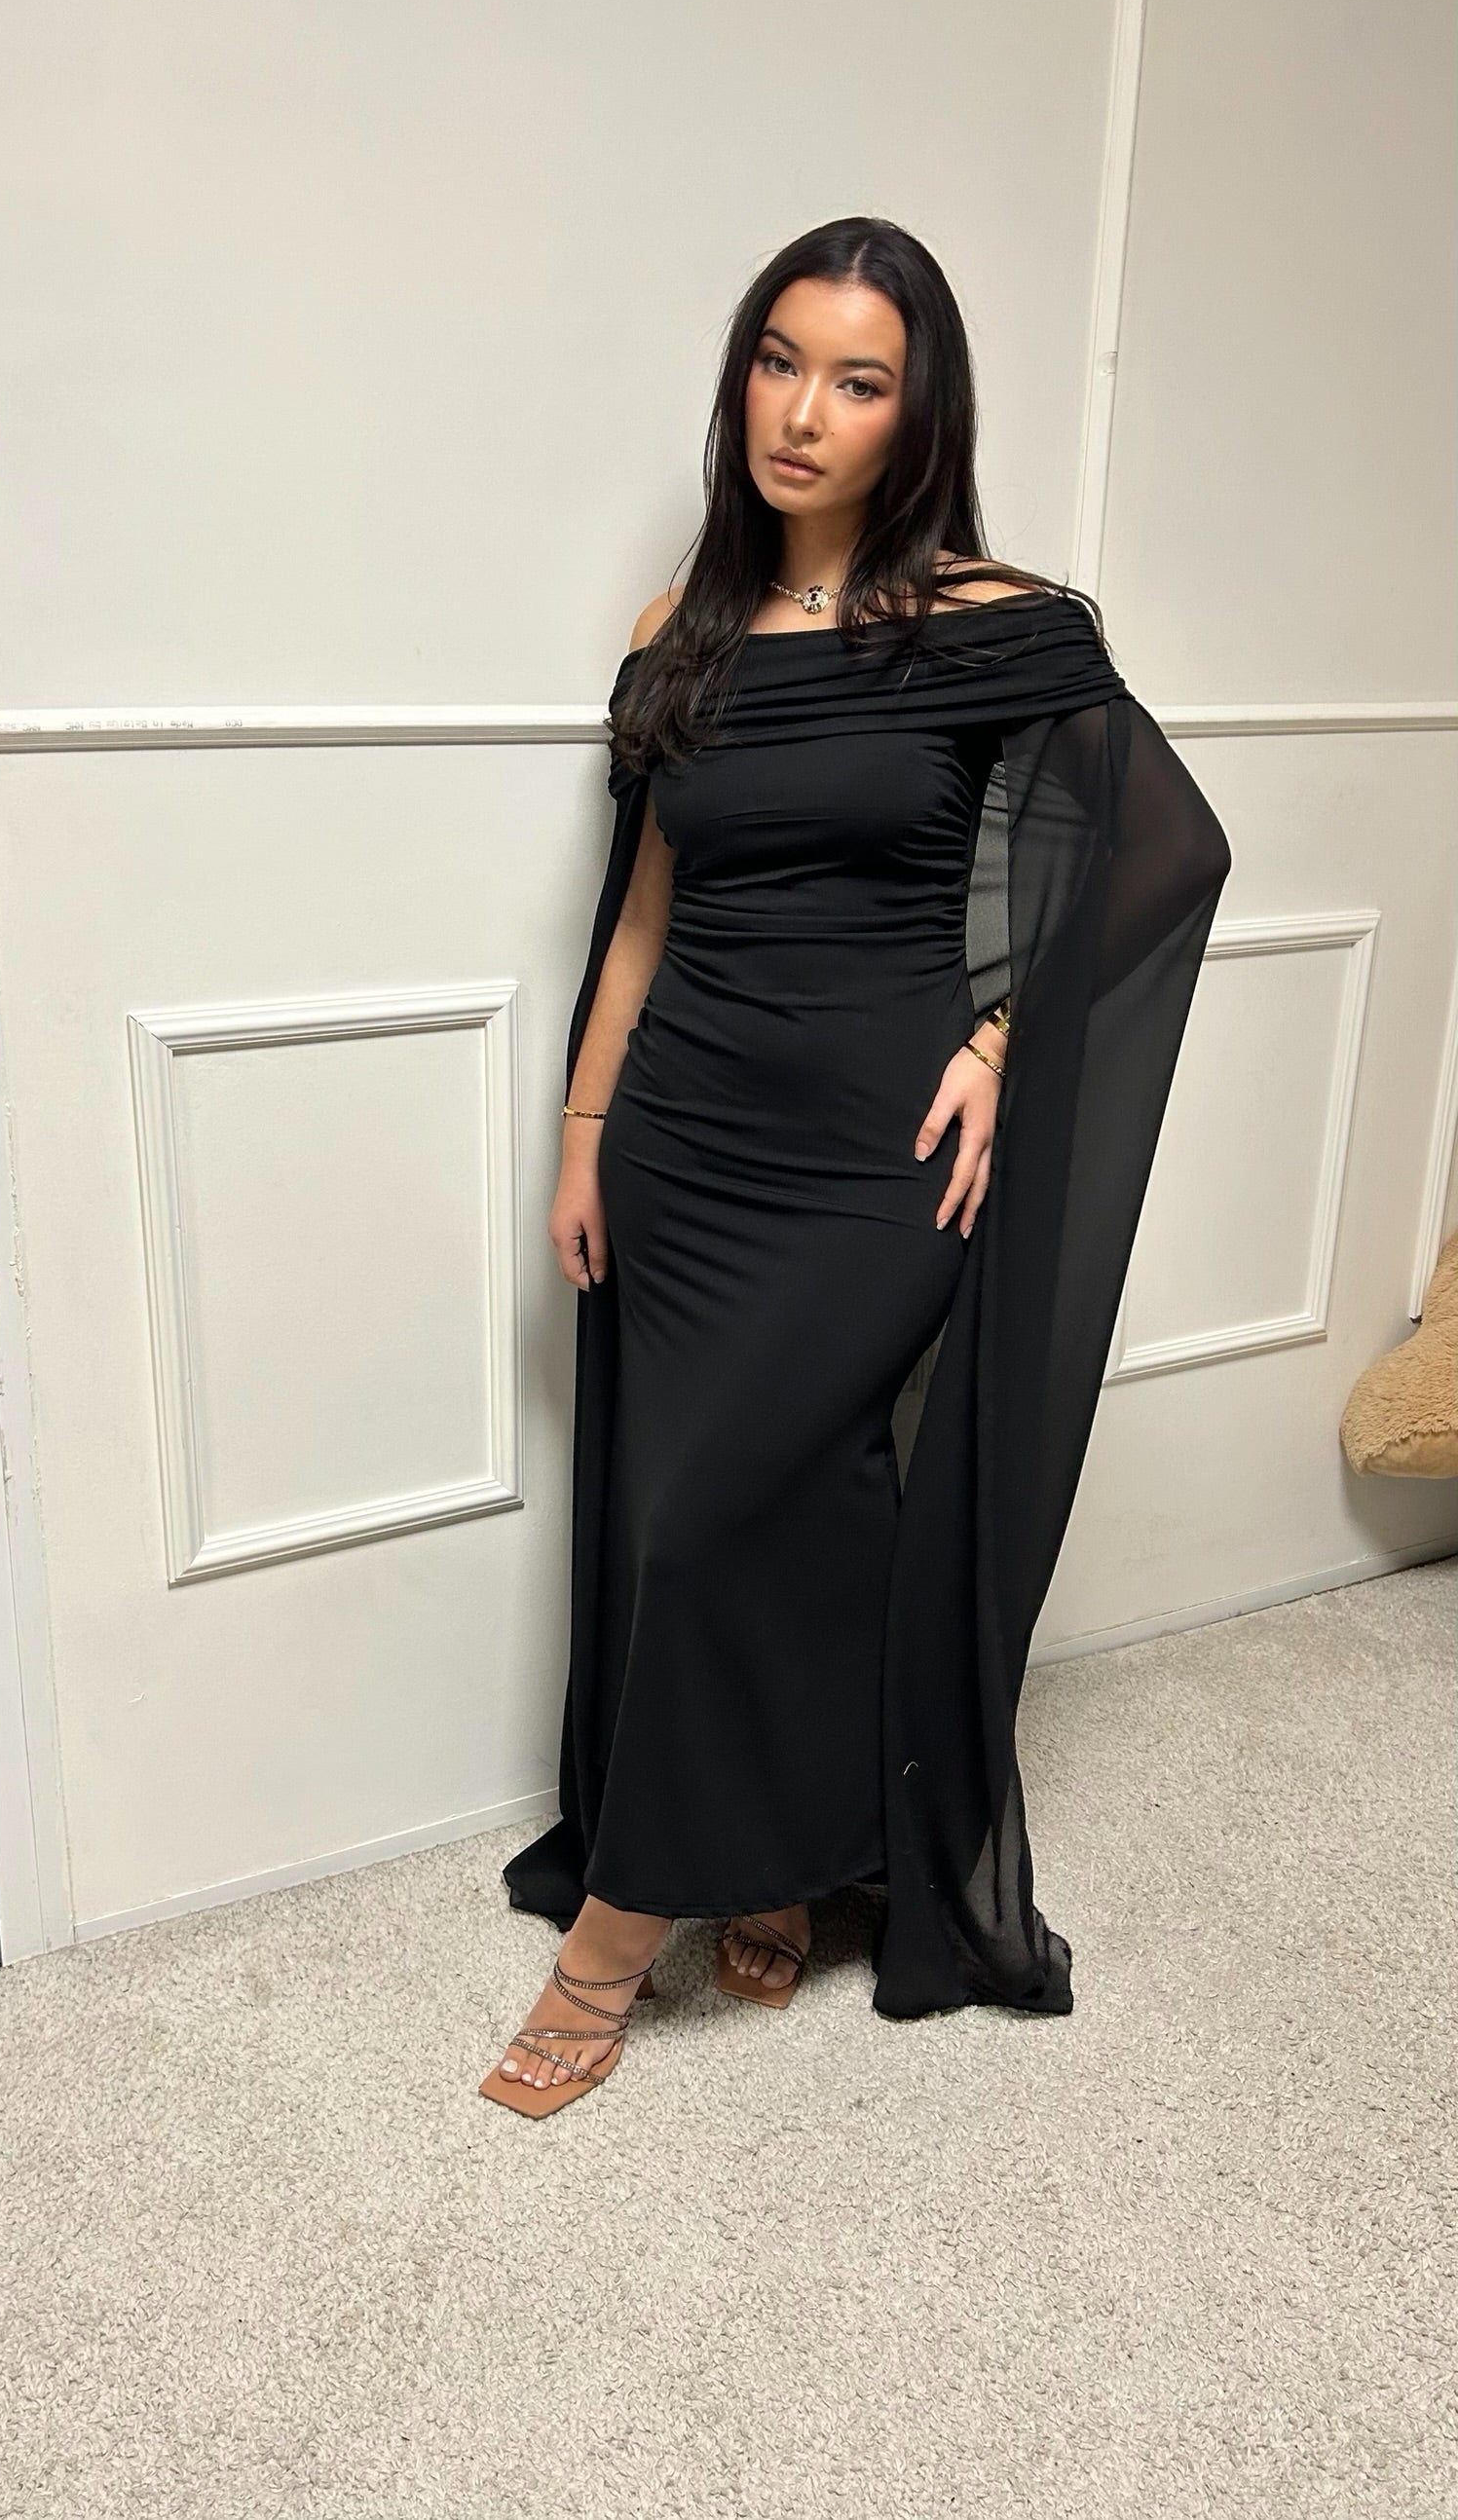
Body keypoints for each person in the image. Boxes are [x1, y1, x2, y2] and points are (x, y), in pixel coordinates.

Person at [479, 215, 1232, 2117]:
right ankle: (778, 1855)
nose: (801, 412)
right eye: (778, 360)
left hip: (875, 1152)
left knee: (720, 1513)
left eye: (857, 379)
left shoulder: (994, 622)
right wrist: (582, 1133)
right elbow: (642, 916)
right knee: (757, 1521)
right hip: (682, 1138)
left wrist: (1000, 1042)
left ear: (919, 414)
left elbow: (1164, 851)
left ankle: (609, 1947)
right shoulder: (682, 629)